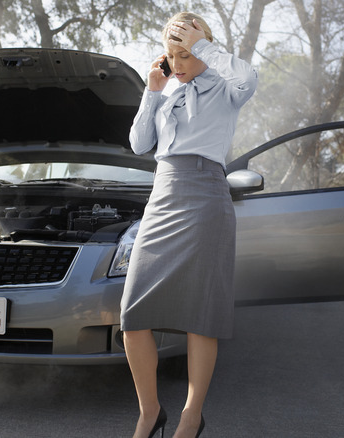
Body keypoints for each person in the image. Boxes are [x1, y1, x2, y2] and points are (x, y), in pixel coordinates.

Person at [119, 11, 258, 438]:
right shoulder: (166, 93)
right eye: (172, 54)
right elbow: (140, 144)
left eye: (186, 54)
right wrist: (152, 92)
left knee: (203, 318)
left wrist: (202, 46)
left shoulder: (226, 86)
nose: (177, 63)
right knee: (132, 315)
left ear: (203, 47)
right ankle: (150, 411)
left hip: (207, 198)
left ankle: (191, 417)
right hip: (163, 197)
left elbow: (250, 76)